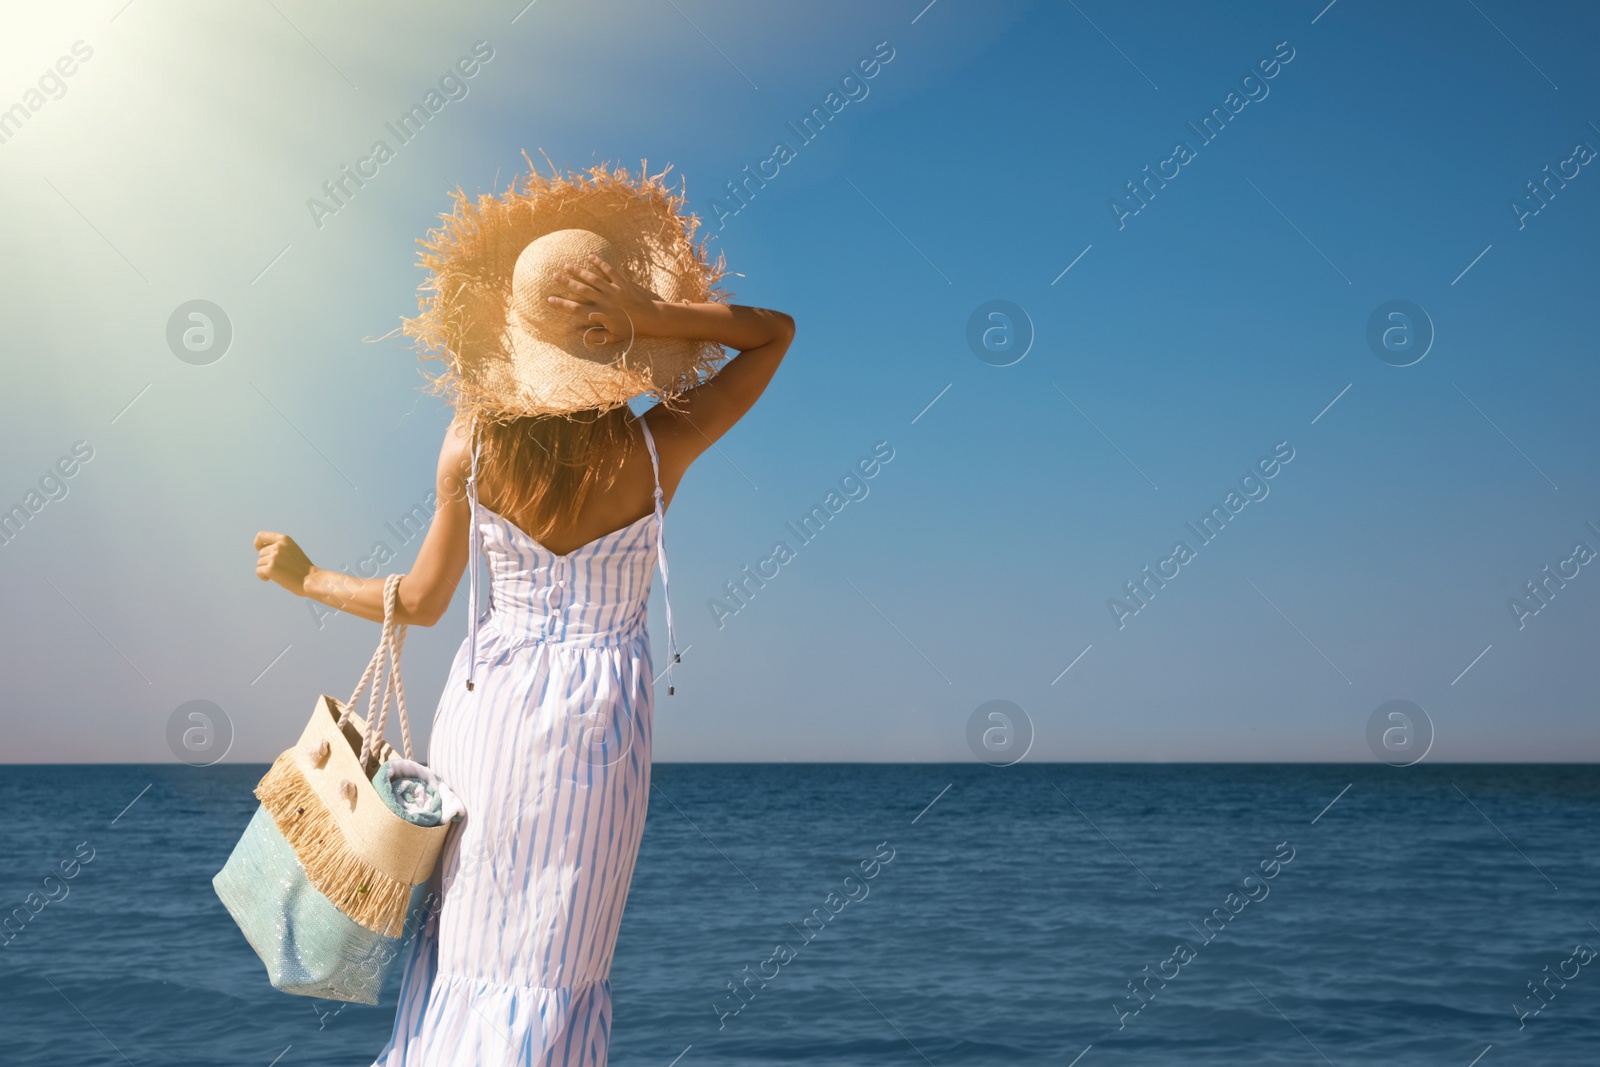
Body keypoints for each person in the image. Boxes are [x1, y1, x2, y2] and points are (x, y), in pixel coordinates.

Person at [252, 161, 795, 1065]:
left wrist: (309, 578)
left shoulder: (472, 442)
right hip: (600, 727)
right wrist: (655, 319)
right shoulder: (662, 444)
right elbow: (772, 335)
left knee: (462, 948)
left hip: (490, 714)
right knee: (557, 962)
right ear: (613, 343)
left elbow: (421, 603)